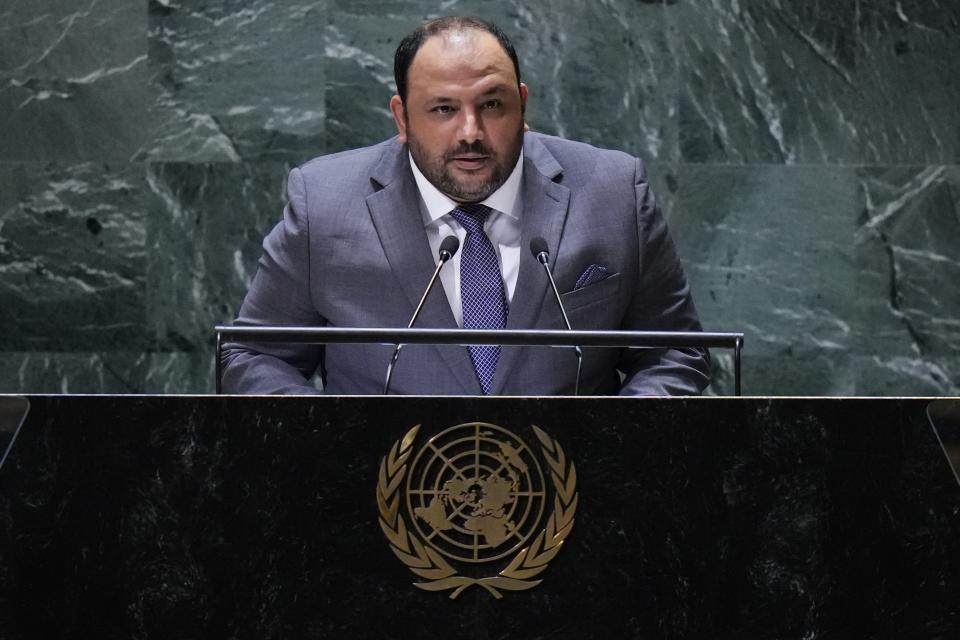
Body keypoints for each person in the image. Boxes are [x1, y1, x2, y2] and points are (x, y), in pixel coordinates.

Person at [221, 16, 710, 396]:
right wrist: (332, 442)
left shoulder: (612, 192)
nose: (471, 132)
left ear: (522, 105)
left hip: (570, 500)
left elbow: (674, 353)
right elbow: (256, 357)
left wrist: (617, 443)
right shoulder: (325, 204)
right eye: (443, 109)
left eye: (492, 105)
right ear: (402, 117)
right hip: (382, 501)